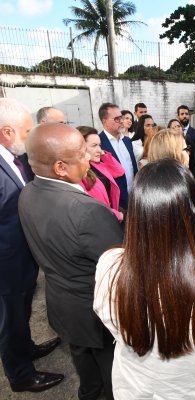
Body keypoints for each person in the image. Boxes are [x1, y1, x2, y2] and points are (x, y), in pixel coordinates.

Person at [94, 159, 195, 400]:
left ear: (136, 212)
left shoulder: (109, 265)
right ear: (194, 213)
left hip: (134, 390)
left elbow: (109, 322)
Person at [19, 123, 124, 400]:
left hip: (62, 304)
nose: (89, 157)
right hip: (95, 312)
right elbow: (121, 267)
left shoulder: (27, 193)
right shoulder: (88, 211)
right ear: (60, 168)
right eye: (81, 153)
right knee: (112, 370)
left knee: (81, 357)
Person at [0, 98, 63, 393]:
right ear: (8, 132)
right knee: (9, 322)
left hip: (21, 261)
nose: (30, 138)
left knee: (21, 314)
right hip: (5, 268)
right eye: (27, 132)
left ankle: (27, 347)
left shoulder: (15, 158)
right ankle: (21, 375)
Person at [148, 128, 195, 239]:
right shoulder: (193, 186)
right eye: (185, 149)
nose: (188, 153)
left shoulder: (141, 183)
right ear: (174, 153)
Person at [77, 126, 125, 221]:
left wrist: (103, 154)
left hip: (110, 215)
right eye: (94, 145)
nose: (99, 149)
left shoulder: (98, 165)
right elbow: (92, 205)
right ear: (80, 147)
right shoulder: (78, 173)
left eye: (99, 145)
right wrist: (118, 215)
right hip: (101, 219)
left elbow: (119, 171)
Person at [98, 102, 138, 210]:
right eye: (116, 119)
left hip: (134, 196)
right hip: (116, 202)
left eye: (121, 117)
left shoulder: (127, 141)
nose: (121, 121)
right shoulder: (98, 143)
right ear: (104, 121)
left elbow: (133, 168)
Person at [177, 105, 195, 177]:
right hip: (176, 170)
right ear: (178, 116)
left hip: (190, 171)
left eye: (186, 114)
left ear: (189, 116)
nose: (185, 116)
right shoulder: (172, 133)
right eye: (182, 114)